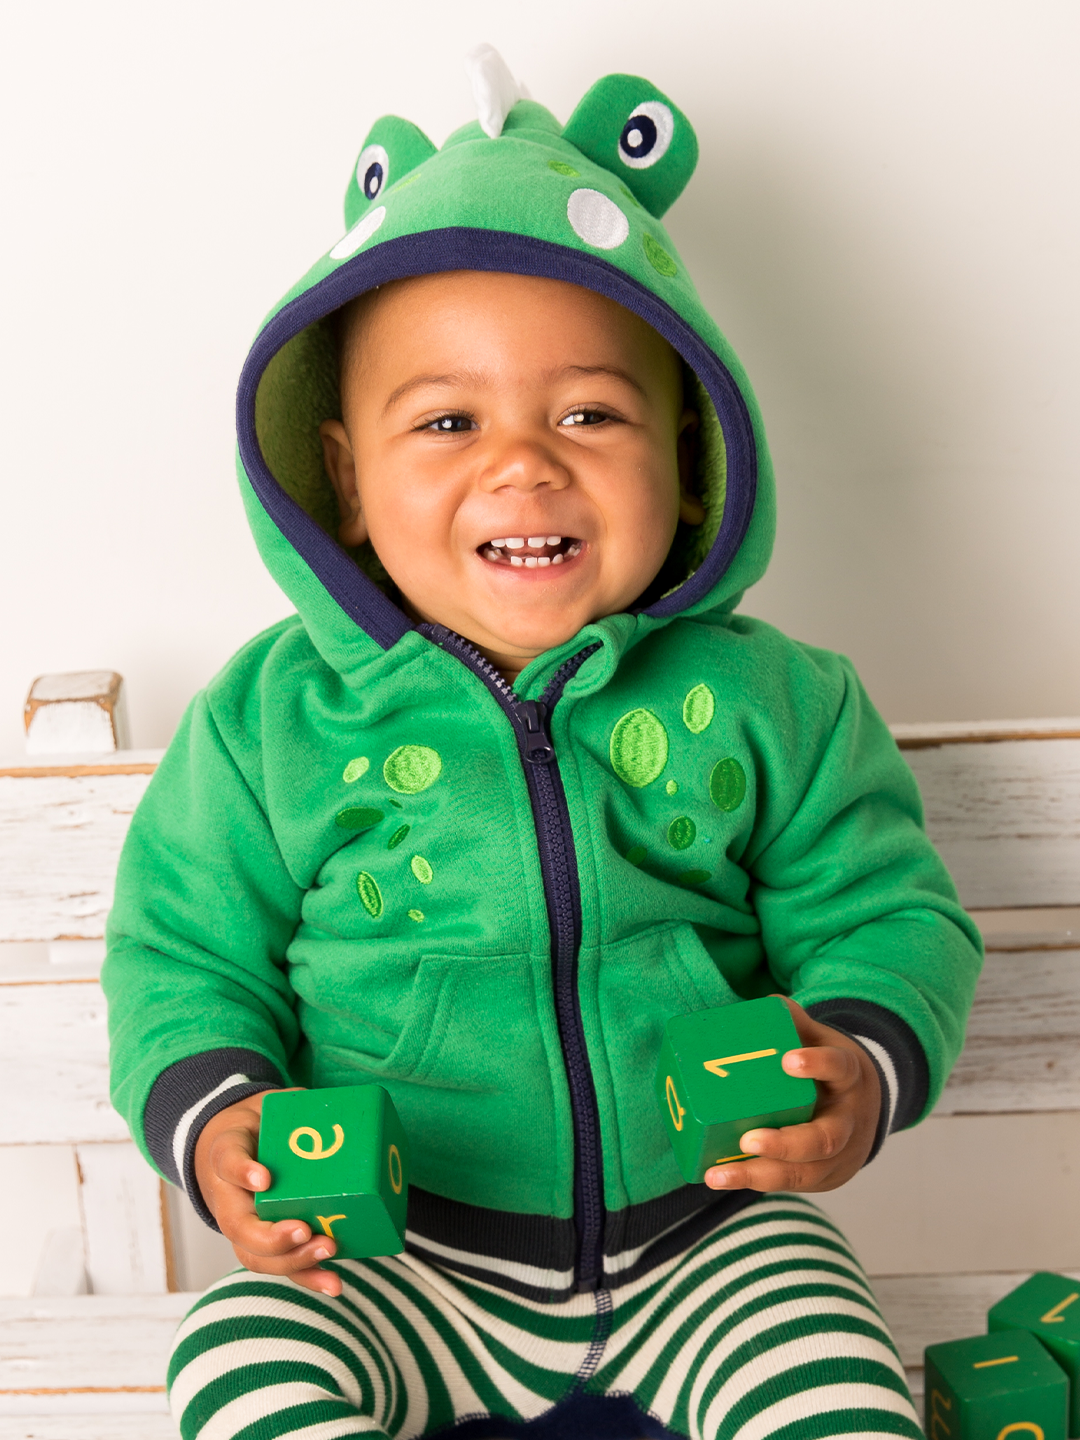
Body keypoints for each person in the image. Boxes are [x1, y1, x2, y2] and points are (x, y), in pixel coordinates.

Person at [103, 57, 982, 1440]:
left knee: (837, 1384)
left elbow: (887, 913)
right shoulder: (270, 721)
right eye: (448, 421)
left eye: (589, 413)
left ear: (688, 453)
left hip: (716, 1233)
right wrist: (218, 1123)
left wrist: (861, 1066)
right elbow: (183, 956)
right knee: (237, 1355)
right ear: (345, 478)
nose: (523, 464)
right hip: (398, 1254)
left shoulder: (780, 699)